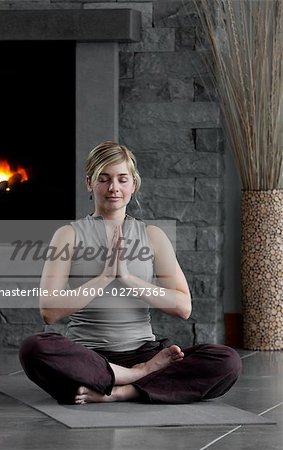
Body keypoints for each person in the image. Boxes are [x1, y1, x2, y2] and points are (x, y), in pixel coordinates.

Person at [19, 141, 241, 405]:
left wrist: (127, 277)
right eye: (104, 179)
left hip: (143, 351)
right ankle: (138, 377)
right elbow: (49, 311)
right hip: (88, 356)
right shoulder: (67, 235)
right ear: (89, 183)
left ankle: (121, 389)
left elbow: (183, 307)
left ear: (133, 185)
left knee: (227, 361)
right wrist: (103, 277)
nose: (114, 188)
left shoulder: (152, 236)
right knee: (34, 348)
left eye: (122, 179)